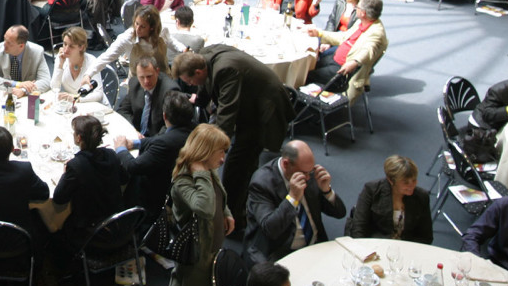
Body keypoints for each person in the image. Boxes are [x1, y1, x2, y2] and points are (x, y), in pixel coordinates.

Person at [174, 47, 294, 229]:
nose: (190, 84)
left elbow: (226, 113)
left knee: (237, 165)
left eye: (190, 80)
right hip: (248, 106)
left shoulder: (225, 69)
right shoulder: (203, 59)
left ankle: (235, 217)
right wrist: (198, 101)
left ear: (198, 71)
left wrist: (212, 152)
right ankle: (245, 203)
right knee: (243, 164)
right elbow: (204, 86)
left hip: (264, 110)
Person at [143, 124, 233, 286]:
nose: (223, 158)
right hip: (195, 253)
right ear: (205, 152)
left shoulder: (208, 171)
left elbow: (217, 195)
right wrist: (201, 172)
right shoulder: (185, 180)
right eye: (220, 152)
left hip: (206, 247)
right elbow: (203, 207)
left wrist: (226, 212)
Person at [244, 140, 347, 265]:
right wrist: (292, 198)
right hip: (281, 251)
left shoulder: (307, 172)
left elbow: (340, 213)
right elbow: (270, 229)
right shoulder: (262, 183)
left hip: (315, 245)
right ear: (286, 164)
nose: (308, 178)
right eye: (304, 173)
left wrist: (326, 191)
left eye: (310, 172)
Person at [115, 90, 195, 224]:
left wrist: (120, 149)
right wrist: (135, 143)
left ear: (165, 116)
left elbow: (133, 166)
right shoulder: (193, 129)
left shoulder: (165, 143)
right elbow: (159, 140)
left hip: (154, 194)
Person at [52, 114, 126, 253]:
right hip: (118, 222)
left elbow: (59, 198)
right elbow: (124, 179)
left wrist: (65, 173)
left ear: (79, 138)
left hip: (90, 229)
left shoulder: (77, 165)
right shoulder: (110, 154)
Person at [305, 0, 388, 101]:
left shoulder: (376, 32)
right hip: (334, 58)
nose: (355, 8)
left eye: (357, 7)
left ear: (363, 13)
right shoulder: (361, 22)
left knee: (306, 75)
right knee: (309, 64)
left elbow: (368, 50)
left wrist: (354, 62)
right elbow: (343, 37)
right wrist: (320, 34)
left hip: (341, 70)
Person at [84, 4, 184, 85]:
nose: (137, 29)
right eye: (136, 24)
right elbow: (106, 57)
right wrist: (88, 74)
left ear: (152, 28)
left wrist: (184, 50)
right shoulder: (127, 38)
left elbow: (172, 42)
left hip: (162, 79)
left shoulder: (162, 31)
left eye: (142, 26)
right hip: (139, 83)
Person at [348, 155, 433, 243]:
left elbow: (426, 237)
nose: (412, 186)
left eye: (414, 180)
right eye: (406, 182)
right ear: (391, 180)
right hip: (375, 244)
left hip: (407, 247)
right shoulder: (372, 190)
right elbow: (358, 229)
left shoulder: (422, 197)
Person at [0, 25, 51, 95]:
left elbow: (46, 81)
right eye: (4, 39)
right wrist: (18, 84)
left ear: (21, 46)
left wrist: (24, 91)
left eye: (9, 43)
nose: (4, 44)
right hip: (4, 94)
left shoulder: (37, 52)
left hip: (28, 99)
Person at [50, 26, 99, 98]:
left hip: (94, 104)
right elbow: (54, 88)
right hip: (73, 104)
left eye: (71, 46)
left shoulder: (92, 61)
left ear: (81, 47)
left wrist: (75, 98)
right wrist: (60, 65)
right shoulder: (61, 58)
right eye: (65, 44)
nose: (66, 50)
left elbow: (98, 94)